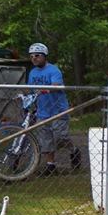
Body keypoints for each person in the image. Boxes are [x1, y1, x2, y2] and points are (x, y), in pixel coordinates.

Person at [27, 43, 81, 175]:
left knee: (60, 138)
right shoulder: (32, 72)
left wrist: (47, 89)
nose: (34, 58)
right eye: (32, 56)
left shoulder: (54, 70)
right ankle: (51, 165)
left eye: (37, 55)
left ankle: (74, 150)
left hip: (58, 110)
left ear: (45, 56)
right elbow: (29, 88)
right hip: (42, 111)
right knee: (45, 139)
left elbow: (56, 84)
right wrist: (21, 94)